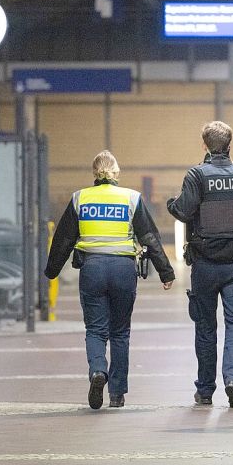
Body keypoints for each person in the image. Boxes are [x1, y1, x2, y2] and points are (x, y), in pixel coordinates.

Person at [45, 150, 175, 409]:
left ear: (94, 173)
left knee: (95, 330)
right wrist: (166, 271)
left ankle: (97, 372)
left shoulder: (80, 198)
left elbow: (63, 240)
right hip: (123, 269)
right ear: (116, 173)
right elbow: (149, 237)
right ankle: (117, 394)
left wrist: (52, 271)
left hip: (92, 269)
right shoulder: (131, 198)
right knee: (120, 332)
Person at [167, 121, 233, 408]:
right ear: (230, 144)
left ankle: (205, 391)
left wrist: (170, 204)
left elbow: (183, 211)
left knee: (205, 326)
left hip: (204, 264)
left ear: (204, 145)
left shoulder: (197, 175)